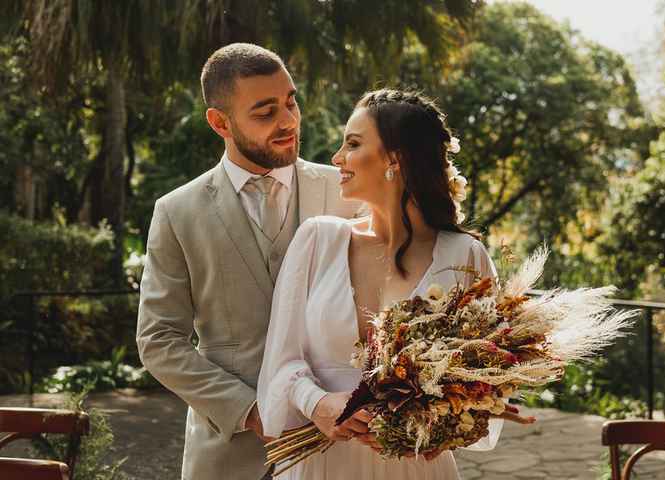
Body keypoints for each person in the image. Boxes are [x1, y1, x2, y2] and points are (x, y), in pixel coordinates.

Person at [258, 89, 532, 479]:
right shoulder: (317, 240)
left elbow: (485, 386)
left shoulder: (465, 257)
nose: (337, 158)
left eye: (352, 144)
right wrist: (318, 404)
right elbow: (279, 361)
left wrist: (424, 424)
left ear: (395, 158)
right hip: (320, 465)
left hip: (414, 468)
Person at [136, 43, 362, 480]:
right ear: (220, 122)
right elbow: (159, 339)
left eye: (291, 102)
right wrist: (254, 411)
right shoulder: (177, 212)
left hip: (343, 448)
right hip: (229, 456)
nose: (288, 122)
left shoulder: (348, 191)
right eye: (265, 112)